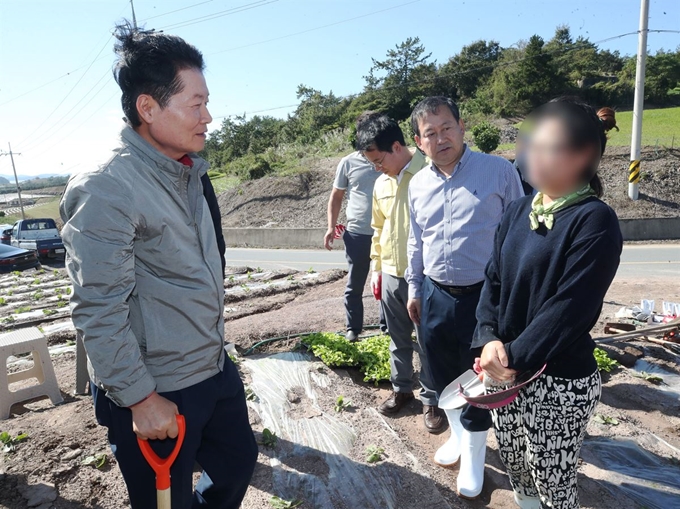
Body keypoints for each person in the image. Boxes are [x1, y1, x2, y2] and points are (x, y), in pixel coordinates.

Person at [60, 24, 257, 509]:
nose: (208, 117)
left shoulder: (187, 171)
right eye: (196, 103)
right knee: (162, 503)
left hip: (211, 366)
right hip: (157, 386)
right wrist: (140, 398)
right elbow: (98, 308)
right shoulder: (109, 187)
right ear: (148, 108)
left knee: (237, 463)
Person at [473, 98, 622, 509]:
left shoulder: (595, 221)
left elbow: (570, 308)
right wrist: (487, 340)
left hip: (558, 381)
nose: (530, 155)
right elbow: (493, 282)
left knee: (552, 479)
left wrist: (511, 358)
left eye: (546, 146)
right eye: (529, 144)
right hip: (502, 372)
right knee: (516, 464)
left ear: (582, 157)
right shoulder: (519, 210)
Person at [406, 96, 524, 498]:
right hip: (436, 293)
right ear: (419, 142)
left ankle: (474, 458)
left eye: (446, 128)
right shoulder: (417, 184)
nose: (440, 139)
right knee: (442, 374)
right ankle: (457, 436)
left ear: (461, 127)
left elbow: (520, 234)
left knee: (480, 378)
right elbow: (415, 240)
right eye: (429, 134)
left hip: (485, 296)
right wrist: (414, 286)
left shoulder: (499, 171)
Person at [355, 113, 444, 433]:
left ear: (396, 146)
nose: (376, 167)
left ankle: (432, 398)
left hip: (425, 276)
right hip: (391, 273)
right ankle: (402, 389)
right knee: (397, 338)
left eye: (378, 160)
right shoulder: (381, 183)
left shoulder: (430, 173)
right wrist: (377, 269)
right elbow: (378, 229)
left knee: (428, 340)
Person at [324, 113, 386, 341]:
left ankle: (386, 326)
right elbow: (336, 196)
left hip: (386, 233)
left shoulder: (389, 157)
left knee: (387, 283)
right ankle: (353, 328)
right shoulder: (348, 162)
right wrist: (331, 226)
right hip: (358, 233)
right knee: (355, 285)